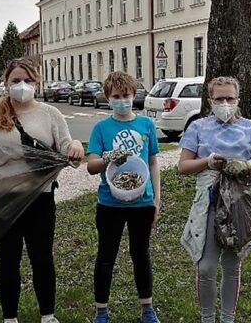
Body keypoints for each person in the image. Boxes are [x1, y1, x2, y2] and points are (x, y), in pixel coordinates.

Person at [0, 58, 85, 323]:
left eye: (27, 80)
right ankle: (9, 317)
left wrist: (77, 146)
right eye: (15, 81)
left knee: (42, 259)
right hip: (5, 200)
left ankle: (47, 315)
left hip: (40, 199)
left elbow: (67, 147)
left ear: (36, 82)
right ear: (6, 83)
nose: (22, 85)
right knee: (8, 261)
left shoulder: (50, 114)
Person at [177, 76, 251, 323]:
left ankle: (228, 318)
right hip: (209, 202)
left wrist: (247, 165)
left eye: (230, 98)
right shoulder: (198, 127)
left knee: (232, 266)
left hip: (240, 205)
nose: (225, 103)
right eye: (219, 99)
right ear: (210, 101)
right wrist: (207, 162)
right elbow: (183, 166)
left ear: (238, 99)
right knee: (206, 266)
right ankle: (207, 318)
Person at [86, 71, 162, 323]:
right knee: (106, 256)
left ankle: (147, 309)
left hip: (142, 201)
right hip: (110, 202)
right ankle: (101, 311)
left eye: (126, 95)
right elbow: (91, 165)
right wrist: (107, 157)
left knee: (141, 254)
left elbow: (152, 162)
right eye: (116, 96)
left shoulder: (146, 125)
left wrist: (156, 198)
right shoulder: (101, 128)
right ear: (108, 97)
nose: (122, 100)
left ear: (134, 95)